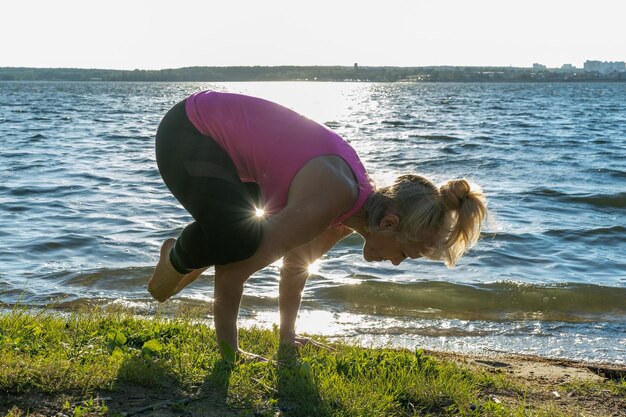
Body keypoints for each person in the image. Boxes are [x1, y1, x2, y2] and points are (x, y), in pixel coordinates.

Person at [148, 90, 488, 360]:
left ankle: (182, 261)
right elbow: (234, 271)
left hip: (227, 153)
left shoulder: (348, 208)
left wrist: (287, 340)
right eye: (405, 253)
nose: (397, 263)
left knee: (239, 235)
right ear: (389, 222)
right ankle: (176, 261)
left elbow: (295, 267)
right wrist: (230, 354)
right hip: (188, 131)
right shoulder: (333, 195)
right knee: (238, 242)